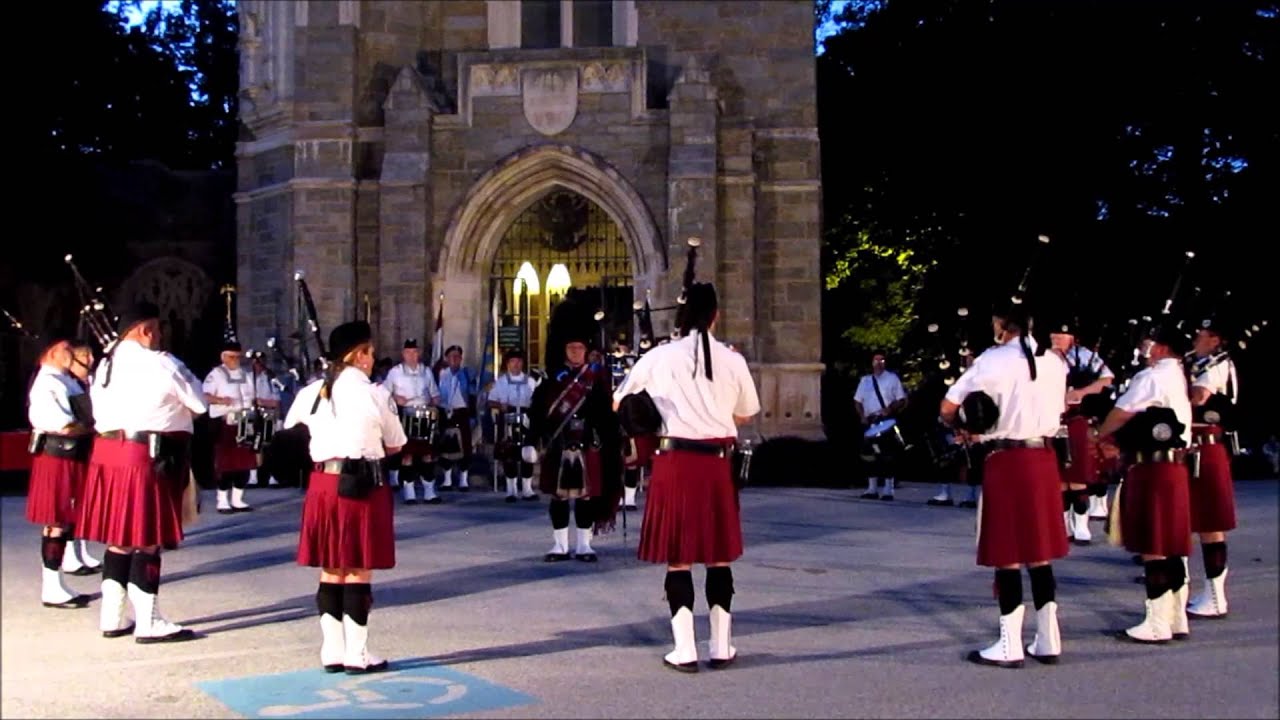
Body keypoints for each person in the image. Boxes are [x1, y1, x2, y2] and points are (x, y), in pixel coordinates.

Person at [614, 280, 761, 672]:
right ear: (716, 315)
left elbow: (619, 402)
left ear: (681, 314)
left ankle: (685, 650)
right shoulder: (733, 359)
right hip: (717, 463)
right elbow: (746, 414)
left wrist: (654, 408)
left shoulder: (661, 357)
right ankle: (721, 647)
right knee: (718, 556)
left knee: (679, 559)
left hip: (675, 461)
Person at [940, 304, 1069, 668]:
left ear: (1001, 326)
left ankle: (1009, 643)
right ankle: (1048, 639)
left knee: (1008, 552)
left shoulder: (991, 360)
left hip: (1006, 458)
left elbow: (948, 407)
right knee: (1039, 552)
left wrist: (965, 427)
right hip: (1043, 457)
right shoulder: (1055, 362)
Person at [77, 302, 208, 643]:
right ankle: (149, 622)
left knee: (119, 541)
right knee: (147, 541)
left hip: (108, 454)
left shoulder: (105, 366)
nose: (161, 335)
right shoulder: (161, 363)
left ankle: (112, 617)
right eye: (158, 329)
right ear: (146, 330)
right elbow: (200, 404)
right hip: (145, 457)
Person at [285, 320, 407, 674]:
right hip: (361, 484)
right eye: (369, 352)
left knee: (331, 568)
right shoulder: (374, 393)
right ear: (358, 355)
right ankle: (358, 653)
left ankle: (332, 650)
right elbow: (396, 442)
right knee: (357, 568)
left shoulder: (310, 392)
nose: (372, 359)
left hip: (323, 483)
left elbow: (291, 431)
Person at [1096, 323, 1194, 643]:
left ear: (1163, 348)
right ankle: (1176, 616)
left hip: (1152, 467)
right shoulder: (1178, 376)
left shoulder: (1152, 377)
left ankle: (1156, 622)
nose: (1148, 350)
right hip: (1176, 466)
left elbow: (1122, 412)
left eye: (1153, 345)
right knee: (1173, 544)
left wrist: (1100, 434)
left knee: (1154, 544)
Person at [529, 297, 623, 563]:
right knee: (558, 498)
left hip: (587, 443)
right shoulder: (550, 380)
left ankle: (584, 545)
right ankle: (559, 545)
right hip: (559, 444)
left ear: (585, 350)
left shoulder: (596, 378)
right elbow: (536, 412)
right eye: (570, 348)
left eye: (579, 348)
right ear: (564, 349)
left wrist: (614, 439)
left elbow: (607, 414)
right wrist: (531, 440)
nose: (575, 352)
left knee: (585, 498)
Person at [25, 336, 95, 608]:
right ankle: (51, 587)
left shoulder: (65, 380)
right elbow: (63, 425)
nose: (72, 354)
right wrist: (95, 427)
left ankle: (60, 580)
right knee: (56, 522)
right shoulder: (47, 383)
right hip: (57, 455)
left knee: (66, 520)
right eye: (67, 349)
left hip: (71, 455)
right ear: (53, 351)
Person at [1184, 324, 1240, 618]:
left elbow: (1198, 398)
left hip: (1206, 446)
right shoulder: (1212, 364)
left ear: (1214, 340)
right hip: (1207, 446)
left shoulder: (1216, 366)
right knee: (1204, 522)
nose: (1195, 341)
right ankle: (1208, 591)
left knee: (1209, 523)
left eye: (1199, 336)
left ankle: (1215, 595)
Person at [1048, 319, 1115, 545]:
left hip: (1077, 419)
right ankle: (1064, 524)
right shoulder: (1042, 358)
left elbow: (1107, 378)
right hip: (1051, 419)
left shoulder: (1083, 355)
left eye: (1061, 335)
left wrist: (1082, 392)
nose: (1056, 338)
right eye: (1054, 334)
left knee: (1077, 475)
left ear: (1072, 338)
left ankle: (1082, 524)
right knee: (1058, 477)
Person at [59, 338, 104, 574]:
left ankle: (81, 549)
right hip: (72, 445)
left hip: (88, 444)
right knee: (70, 503)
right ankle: (68, 554)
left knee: (83, 500)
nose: (91, 360)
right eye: (85, 356)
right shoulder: (66, 383)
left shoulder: (87, 382)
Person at [383, 339, 442, 505]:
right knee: (407, 455)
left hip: (424, 414)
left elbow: (435, 393)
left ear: (419, 353)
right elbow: (383, 393)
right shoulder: (396, 372)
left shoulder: (427, 372)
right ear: (403, 354)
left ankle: (429, 491)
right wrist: (395, 398)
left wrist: (435, 401)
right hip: (406, 414)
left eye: (415, 352)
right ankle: (409, 492)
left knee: (427, 454)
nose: (412, 356)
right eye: (408, 352)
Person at [203, 341, 259, 513]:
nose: (235, 360)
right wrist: (221, 400)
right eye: (231, 357)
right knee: (226, 463)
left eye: (237, 357)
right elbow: (205, 395)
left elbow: (252, 396)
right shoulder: (216, 374)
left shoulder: (246, 374)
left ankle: (238, 499)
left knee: (244, 462)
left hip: (244, 422)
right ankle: (222, 500)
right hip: (225, 422)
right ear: (223, 357)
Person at [854, 351, 908, 500]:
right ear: (871, 363)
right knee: (869, 455)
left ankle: (888, 489)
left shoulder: (892, 379)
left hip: (886, 420)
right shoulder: (865, 381)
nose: (879, 363)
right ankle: (871, 488)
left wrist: (890, 409)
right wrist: (862, 416)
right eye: (876, 360)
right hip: (870, 421)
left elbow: (901, 399)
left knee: (887, 455)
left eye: (882, 360)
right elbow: (858, 401)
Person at [488, 349, 540, 502]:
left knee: (527, 453)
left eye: (518, 361)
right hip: (508, 417)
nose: (516, 364)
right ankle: (511, 490)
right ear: (508, 364)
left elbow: (538, 400)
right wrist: (500, 405)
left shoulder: (531, 381)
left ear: (522, 363)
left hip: (526, 417)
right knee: (509, 454)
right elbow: (491, 401)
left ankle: (527, 489)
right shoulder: (501, 381)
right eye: (512, 361)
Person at [435, 345, 473, 491]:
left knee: (464, 446)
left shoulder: (467, 373)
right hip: (446, 412)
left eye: (457, 356)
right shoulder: (441, 374)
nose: (454, 359)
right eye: (451, 356)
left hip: (462, 412)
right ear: (446, 358)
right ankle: (447, 480)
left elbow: (474, 393)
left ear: (461, 358)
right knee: (446, 446)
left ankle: (463, 480)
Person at [246, 354, 282, 487]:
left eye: (260, 362)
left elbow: (277, 402)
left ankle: (272, 476)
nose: (257, 365)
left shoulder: (270, 378)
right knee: (253, 445)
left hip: (267, 414)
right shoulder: (248, 378)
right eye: (255, 362)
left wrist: (262, 401)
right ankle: (253, 477)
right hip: (252, 415)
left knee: (269, 446)